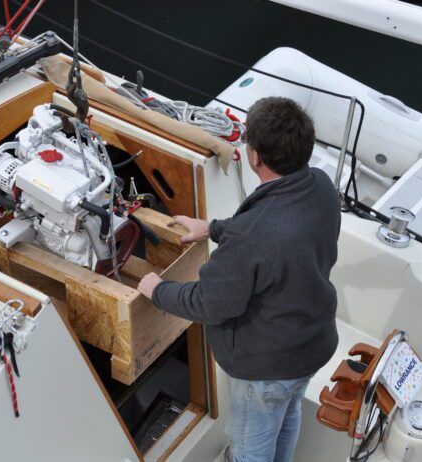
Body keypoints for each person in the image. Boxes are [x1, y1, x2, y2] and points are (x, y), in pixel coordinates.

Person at [137, 97, 341, 462]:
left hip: (266, 369)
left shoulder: (251, 237)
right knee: (288, 415)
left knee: (250, 452)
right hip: (312, 345)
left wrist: (158, 290)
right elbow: (272, 228)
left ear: (255, 157)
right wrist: (213, 229)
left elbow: (210, 303)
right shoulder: (322, 187)